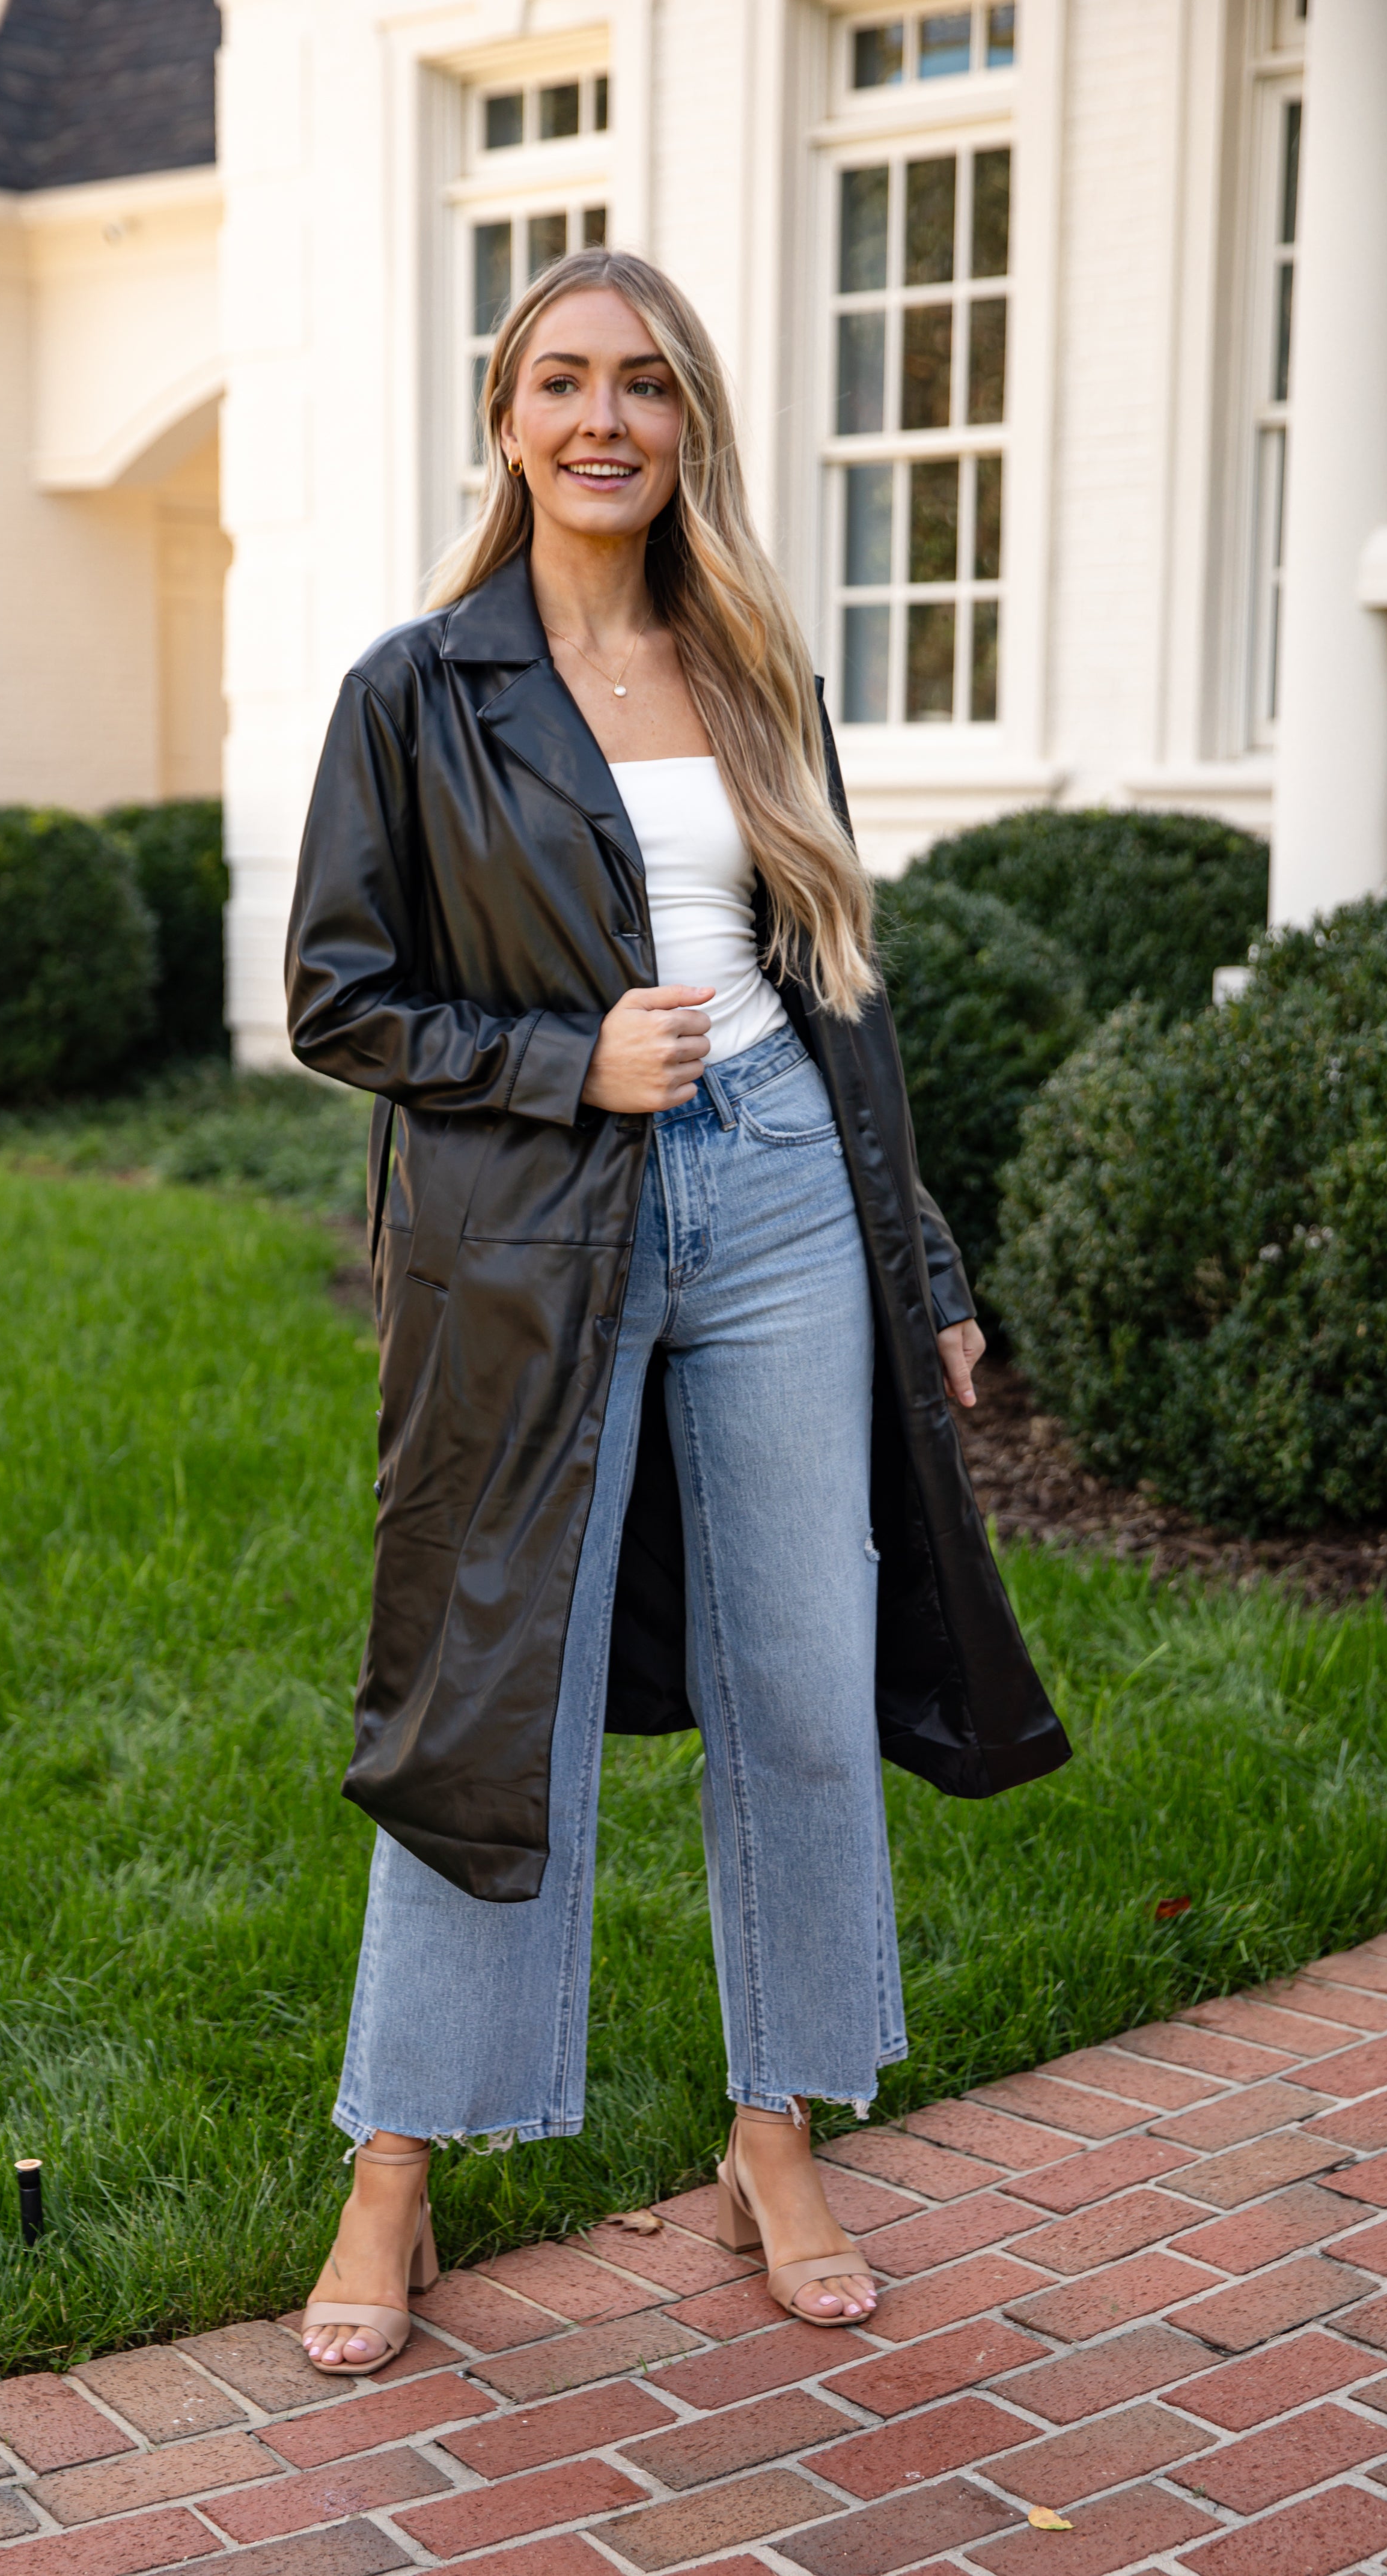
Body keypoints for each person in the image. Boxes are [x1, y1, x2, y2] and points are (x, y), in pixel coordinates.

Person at [285, 248, 1068, 2375]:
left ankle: (776, 2132)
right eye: (560, 382)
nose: (601, 417)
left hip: (785, 1206)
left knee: (804, 1683)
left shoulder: (753, 672)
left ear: (689, 423)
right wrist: (567, 1065)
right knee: (489, 1690)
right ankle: (398, 2166)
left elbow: (837, 989)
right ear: (505, 420)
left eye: (641, 383)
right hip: (542, 1231)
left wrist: (921, 1272)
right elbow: (336, 1001)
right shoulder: (416, 690)